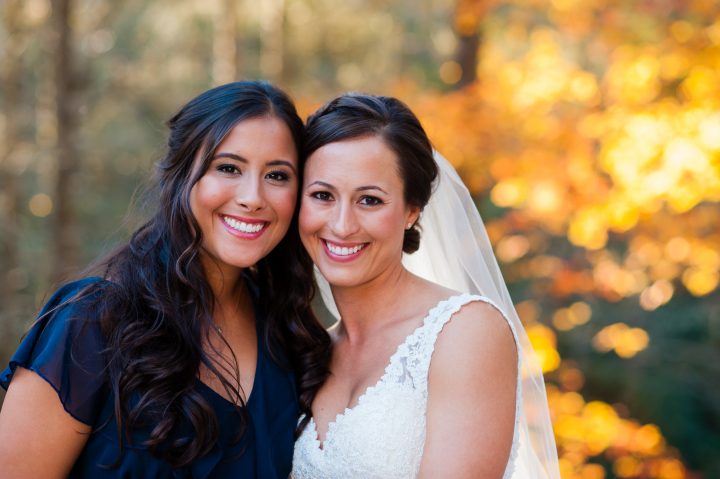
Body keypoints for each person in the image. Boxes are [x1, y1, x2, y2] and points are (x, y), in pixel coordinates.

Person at [0, 80, 330, 478]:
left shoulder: (289, 335)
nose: (253, 196)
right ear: (178, 175)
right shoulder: (90, 322)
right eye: (228, 168)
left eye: (277, 175)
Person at [291, 93, 560, 478]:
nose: (342, 224)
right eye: (322, 196)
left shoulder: (464, 332)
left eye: (369, 200)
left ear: (412, 210)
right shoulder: (307, 349)